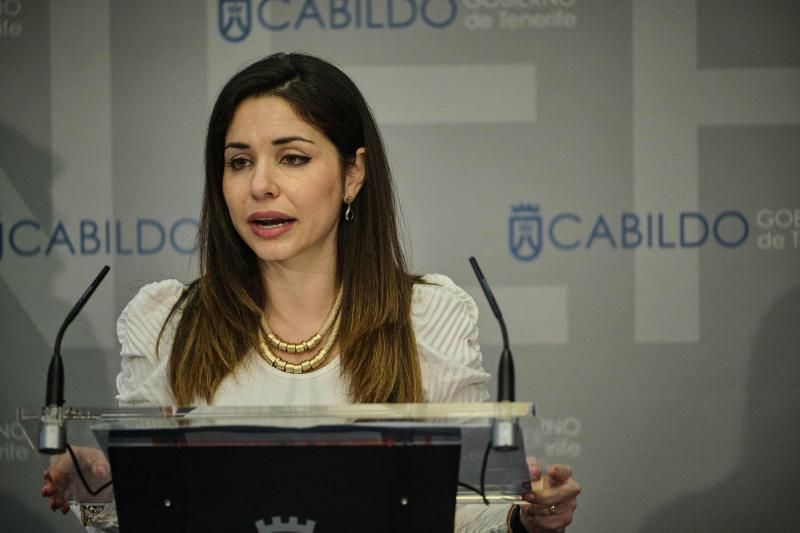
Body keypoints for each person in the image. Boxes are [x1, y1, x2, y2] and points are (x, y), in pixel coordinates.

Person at [41, 52, 580, 532]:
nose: (260, 185)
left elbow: (457, 510)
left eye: (292, 158)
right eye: (239, 161)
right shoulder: (165, 324)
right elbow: (143, 515)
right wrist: (103, 482)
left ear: (352, 175)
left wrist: (521, 520)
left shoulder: (426, 318)